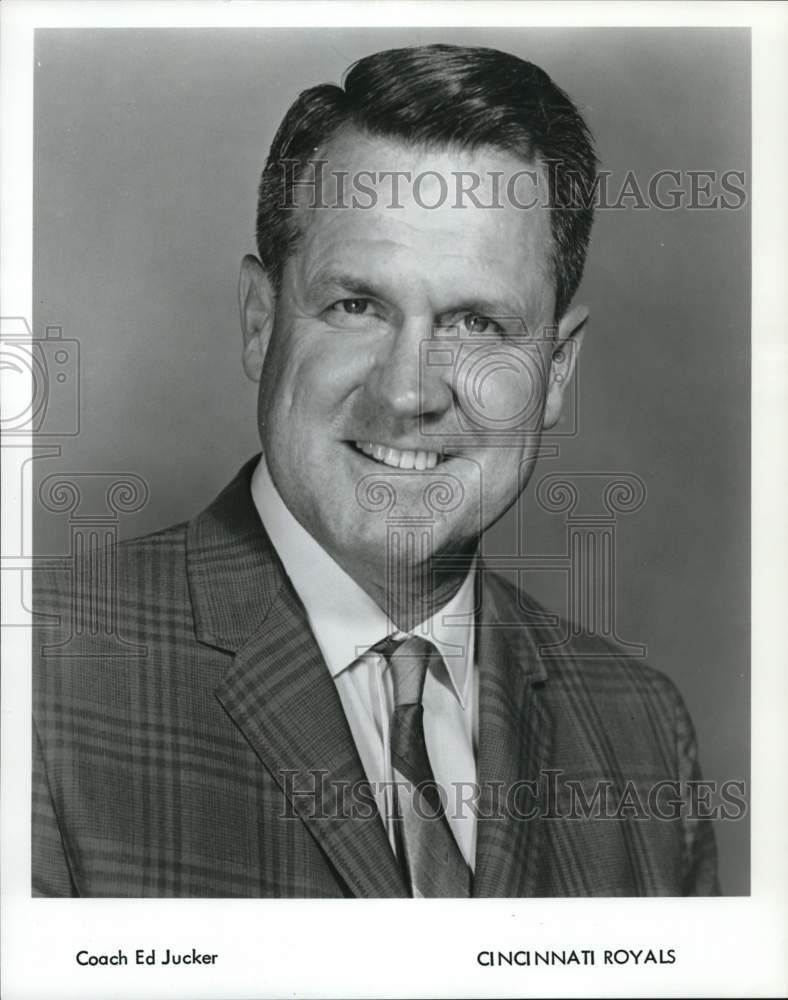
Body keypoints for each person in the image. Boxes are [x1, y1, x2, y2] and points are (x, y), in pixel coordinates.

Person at [32, 44, 719, 897]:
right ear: (260, 322)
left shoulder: (642, 733)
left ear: (555, 372)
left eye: (475, 324)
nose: (407, 392)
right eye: (357, 305)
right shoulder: (40, 680)